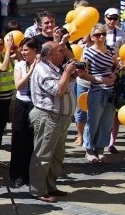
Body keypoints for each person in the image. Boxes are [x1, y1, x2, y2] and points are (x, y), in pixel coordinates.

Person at [29, 41, 90, 202]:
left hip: (61, 117)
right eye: (59, 51)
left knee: (57, 156)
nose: (63, 53)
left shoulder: (55, 68)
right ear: (50, 54)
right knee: (43, 154)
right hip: (48, 117)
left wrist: (73, 73)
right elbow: (58, 90)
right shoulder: (42, 69)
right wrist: (67, 72)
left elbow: (66, 82)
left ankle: (50, 186)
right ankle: (38, 189)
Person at [82, 24, 119, 163]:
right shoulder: (88, 52)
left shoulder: (110, 50)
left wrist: (115, 76)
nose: (101, 37)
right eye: (97, 35)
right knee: (93, 121)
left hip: (111, 90)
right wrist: (98, 79)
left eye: (103, 34)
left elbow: (117, 67)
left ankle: (100, 148)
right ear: (92, 37)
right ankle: (89, 149)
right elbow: (82, 74)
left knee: (107, 121)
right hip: (96, 90)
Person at [9, 38, 39, 188]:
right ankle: (16, 174)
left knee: (32, 140)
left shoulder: (42, 65)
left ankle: (29, 174)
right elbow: (18, 85)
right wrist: (30, 71)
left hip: (35, 104)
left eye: (26, 50)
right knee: (19, 137)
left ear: (34, 51)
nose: (23, 52)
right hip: (21, 104)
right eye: (22, 50)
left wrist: (36, 67)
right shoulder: (20, 65)